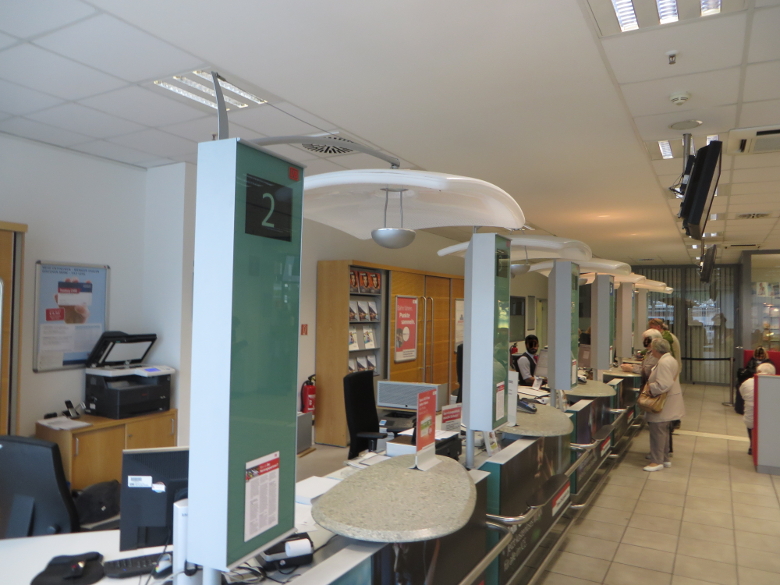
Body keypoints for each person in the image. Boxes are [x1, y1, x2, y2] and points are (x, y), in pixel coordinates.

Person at [643, 338, 685, 472]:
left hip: (663, 404)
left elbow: (663, 384)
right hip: (670, 402)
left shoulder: (663, 362)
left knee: (657, 432)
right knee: (664, 432)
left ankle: (656, 461)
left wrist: (650, 388)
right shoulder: (670, 360)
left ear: (656, 349)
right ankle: (664, 458)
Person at [739, 361, 776, 456]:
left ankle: (752, 445)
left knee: (750, 421)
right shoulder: (775, 385)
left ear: (758, 371)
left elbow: (743, 395)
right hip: (770, 422)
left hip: (750, 420)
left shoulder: (747, 382)